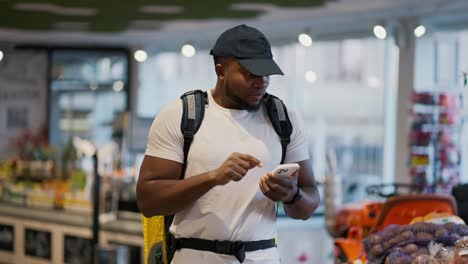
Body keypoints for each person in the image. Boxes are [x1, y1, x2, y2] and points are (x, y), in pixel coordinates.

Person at [137, 24, 320, 264]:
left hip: (262, 256)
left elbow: (309, 202)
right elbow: (148, 201)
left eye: (266, 74)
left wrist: (291, 195)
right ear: (220, 71)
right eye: (250, 73)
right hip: (194, 256)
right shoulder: (182, 115)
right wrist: (213, 177)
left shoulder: (284, 119)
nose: (262, 82)